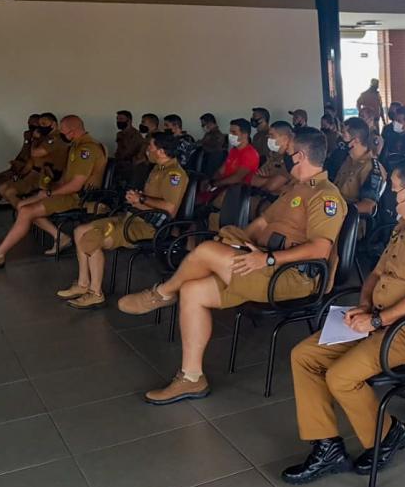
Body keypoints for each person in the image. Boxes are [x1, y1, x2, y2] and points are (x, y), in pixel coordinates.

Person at [116, 131, 346, 404]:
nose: (284, 155)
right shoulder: (296, 188)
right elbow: (262, 223)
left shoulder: (326, 196)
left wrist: (268, 259)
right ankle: (191, 378)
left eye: (289, 151)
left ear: (300, 156)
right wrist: (239, 242)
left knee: (204, 251)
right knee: (192, 290)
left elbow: (321, 248)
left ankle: (162, 293)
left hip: (290, 276)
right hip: (263, 262)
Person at [282, 159, 405, 483]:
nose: (391, 196)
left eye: (394, 190)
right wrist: (364, 306)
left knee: (340, 377)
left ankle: (388, 434)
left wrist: (376, 321)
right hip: (379, 321)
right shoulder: (404, 227)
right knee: (304, 355)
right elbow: (377, 274)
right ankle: (327, 446)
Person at [58, 132, 189, 309]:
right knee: (79, 231)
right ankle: (82, 284)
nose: (147, 150)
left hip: (146, 226)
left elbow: (170, 208)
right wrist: (137, 198)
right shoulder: (158, 168)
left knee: (91, 238)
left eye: (150, 146)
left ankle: (95, 293)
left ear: (161, 151)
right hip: (132, 218)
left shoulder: (175, 174)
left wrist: (140, 200)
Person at [0, 115, 107, 270]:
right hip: (67, 193)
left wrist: (49, 194)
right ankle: (60, 237)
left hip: (79, 198)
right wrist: (50, 189)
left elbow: (75, 186)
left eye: (63, 130)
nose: (60, 133)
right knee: (22, 204)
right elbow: (66, 178)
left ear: (73, 131)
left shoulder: (87, 149)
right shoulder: (77, 145)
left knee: (27, 211)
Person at [0, 113, 70, 215]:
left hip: (44, 176)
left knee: (9, 192)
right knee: (2, 187)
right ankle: (26, 213)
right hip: (34, 173)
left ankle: (27, 215)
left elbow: (35, 153)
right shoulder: (46, 137)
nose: (41, 127)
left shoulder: (54, 139)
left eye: (44, 124)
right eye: (40, 125)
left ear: (53, 124)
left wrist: (34, 139)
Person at [203, 119, 260, 230]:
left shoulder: (250, 153)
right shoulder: (234, 150)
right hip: (223, 187)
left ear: (245, 135)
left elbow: (237, 177)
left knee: (208, 210)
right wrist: (210, 181)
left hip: (235, 193)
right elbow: (221, 170)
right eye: (230, 132)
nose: (230, 135)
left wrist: (215, 183)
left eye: (234, 133)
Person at [334, 117, 386, 216]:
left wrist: (338, 211)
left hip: (352, 222)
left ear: (356, 141)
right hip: (336, 212)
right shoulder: (348, 160)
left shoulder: (371, 167)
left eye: (343, 134)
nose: (339, 136)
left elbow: (368, 206)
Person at [249, 120, 294, 210]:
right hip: (266, 198)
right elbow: (252, 179)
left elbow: (271, 186)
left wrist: (267, 181)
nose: (268, 138)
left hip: (283, 203)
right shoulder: (274, 155)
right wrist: (271, 181)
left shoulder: (291, 159)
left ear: (285, 139)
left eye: (272, 136)